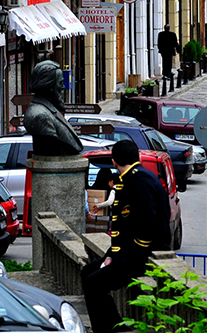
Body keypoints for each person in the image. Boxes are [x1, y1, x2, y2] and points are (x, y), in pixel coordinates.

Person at [81, 140, 171, 333]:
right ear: (136, 157)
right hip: (126, 250)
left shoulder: (139, 181)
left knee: (93, 283)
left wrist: (119, 259)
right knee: (87, 272)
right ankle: (113, 325)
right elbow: (126, 227)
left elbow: (145, 229)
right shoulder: (132, 179)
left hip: (142, 255)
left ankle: (109, 329)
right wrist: (111, 255)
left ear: (114, 162)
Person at [24, 61, 83, 157]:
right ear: (49, 87)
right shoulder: (41, 116)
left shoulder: (50, 110)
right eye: (60, 83)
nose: (63, 87)